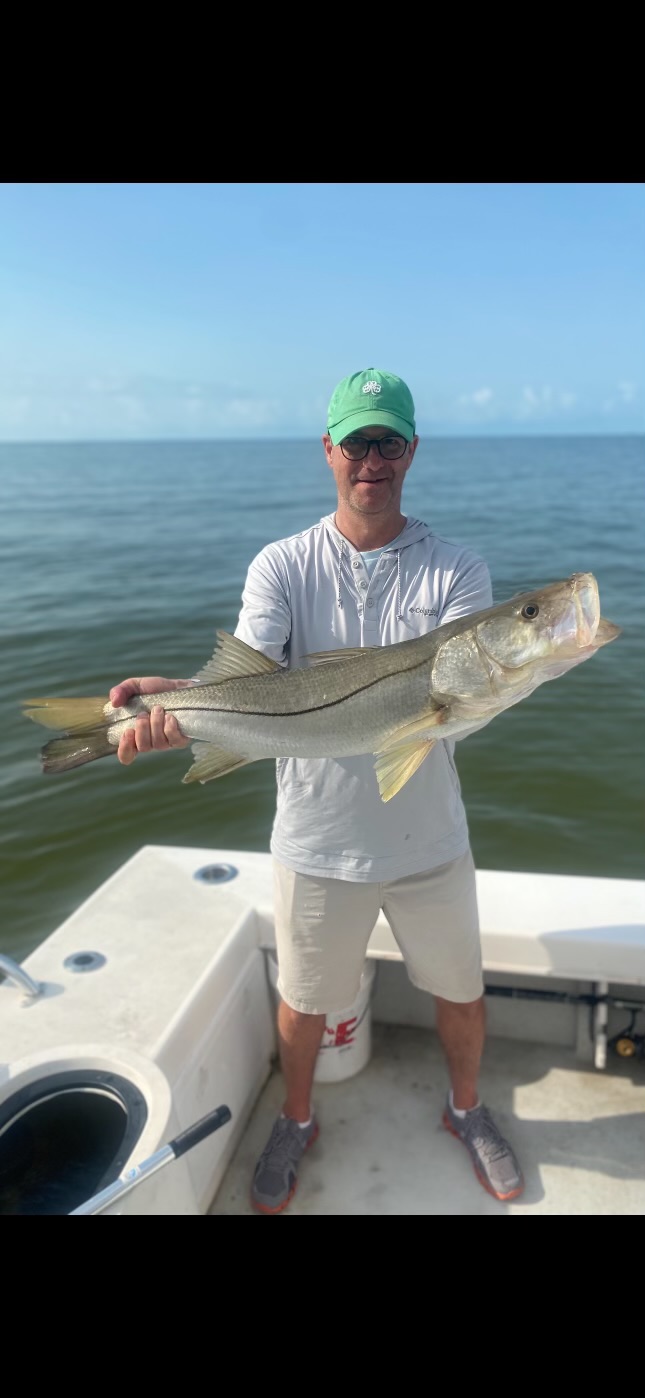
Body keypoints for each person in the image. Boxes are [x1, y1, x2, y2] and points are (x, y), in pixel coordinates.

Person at [110, 367, 524, 1213]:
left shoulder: (458, 572)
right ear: (328, 449)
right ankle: (295, 1119)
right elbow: (255, 674)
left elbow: (458, 714)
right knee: (302, 1006)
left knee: (460, 992)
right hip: (315, 842)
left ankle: (466, 1108)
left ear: (411, 451)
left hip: (428, 842)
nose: (372, 458)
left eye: (388, 440)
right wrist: (181, 701)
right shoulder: (283, 565)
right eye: (357, 441)